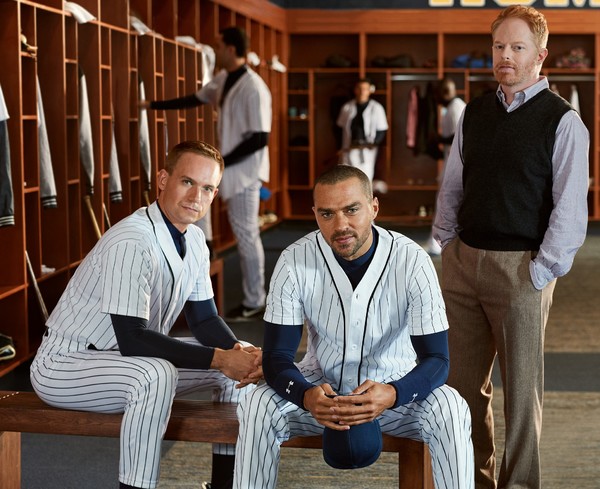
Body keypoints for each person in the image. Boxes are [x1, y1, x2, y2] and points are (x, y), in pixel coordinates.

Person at [30, 141, 263, 489]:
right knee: (155, 374)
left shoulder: (195, 239)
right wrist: (219, 358)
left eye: (207, 187)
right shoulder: (132, 239)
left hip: (125, 362)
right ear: (163, 179)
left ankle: (224, 484)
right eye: (187, 182)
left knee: (235, 364)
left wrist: (238, 356)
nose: (196, 195)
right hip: (67, 364)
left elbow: (203, 320)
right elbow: (132, 338)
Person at [233, 164, 474, 489]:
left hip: (395, 391)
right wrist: (306, 396)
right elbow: (276, 357)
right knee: (257, 403)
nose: (340, 225)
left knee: (451, 407)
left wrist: (393, 393)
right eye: (327, 214)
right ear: (315, 214)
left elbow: (437, 360)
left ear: (374, 207)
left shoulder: (412, 260)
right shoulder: (293, 260)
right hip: (319, 391)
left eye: (351, 210)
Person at [433, 6, 589, 489]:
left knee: (521, 397)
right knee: (459, 391)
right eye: (499, 46)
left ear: (540, 55)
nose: (505, 56)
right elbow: (455, 182)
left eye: (517, 47)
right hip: (462, 266)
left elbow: (569, 209)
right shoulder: (474, 111)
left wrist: (542, 272)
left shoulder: (563, 122)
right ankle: (470, 479)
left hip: (521, 270)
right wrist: (445, 241)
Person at [141, 26, 272, 322]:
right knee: (198, 218)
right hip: (222, 171)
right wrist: (150, 105)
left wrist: (220, 162)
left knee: (246, 233)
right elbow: (195, 99)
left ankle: (257, 300)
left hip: (245, 173)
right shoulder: (225, 80)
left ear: (230, 48)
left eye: (218, 46)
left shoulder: (255, 87)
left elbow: (260, 138)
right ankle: (194, 289)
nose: (215, 51)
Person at [424, 77, 466, 256]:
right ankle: (439, 241)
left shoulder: (456, 106)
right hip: (451, 161)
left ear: (444, 92)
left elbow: (460, 135)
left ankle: (437, 243)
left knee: (445, 201)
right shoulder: (451, 107)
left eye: (437, 93)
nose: (435, 98)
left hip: (456, 163)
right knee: (445, 202)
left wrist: (438, 139)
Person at [336, 78, 388, 191]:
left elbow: (382, 130)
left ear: (369, 90)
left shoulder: (377, 108)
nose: (362, 91)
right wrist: (339, 147)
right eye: (359, 88)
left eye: (365, 89)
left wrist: (373, 143)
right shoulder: (347, 107)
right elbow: (339, 129)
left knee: (364, 181)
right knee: (346, 180)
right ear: (355, 90)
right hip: (348, 148)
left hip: (366, 150)